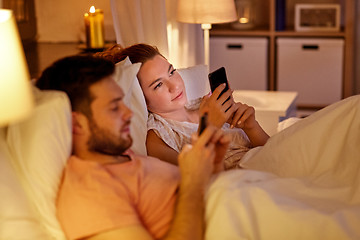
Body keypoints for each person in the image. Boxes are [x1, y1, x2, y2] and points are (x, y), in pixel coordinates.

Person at [36, 55, 231, 240]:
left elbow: (208, 199)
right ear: (77, 124)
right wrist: (192, 181)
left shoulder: (130, 159)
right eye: (114, 107)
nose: (129, 113)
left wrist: (213, 164)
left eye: (123, 101)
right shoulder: (90, 190)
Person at [95, 44, 270, 169]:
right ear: (142, 97)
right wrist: (210, 127)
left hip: (266, 164)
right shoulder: (158, 139)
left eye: (171, 72)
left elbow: (270, 149)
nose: (175, 86)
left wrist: (251, 127)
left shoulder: (205, 104)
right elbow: (197, 179)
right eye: (158, 85)